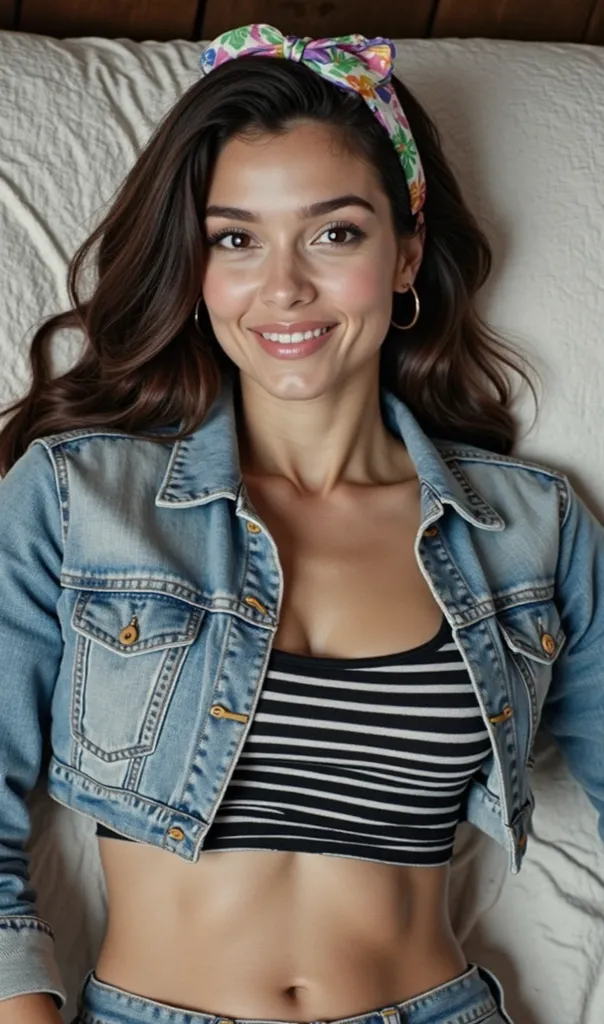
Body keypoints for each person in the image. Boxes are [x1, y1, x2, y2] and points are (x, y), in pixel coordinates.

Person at [0, 20, 603, 1024]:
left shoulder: (530, 529)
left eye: (336, 232)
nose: (283, 286)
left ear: (406, 253)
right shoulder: (75, 499)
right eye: (235, 238)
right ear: (194, 267)